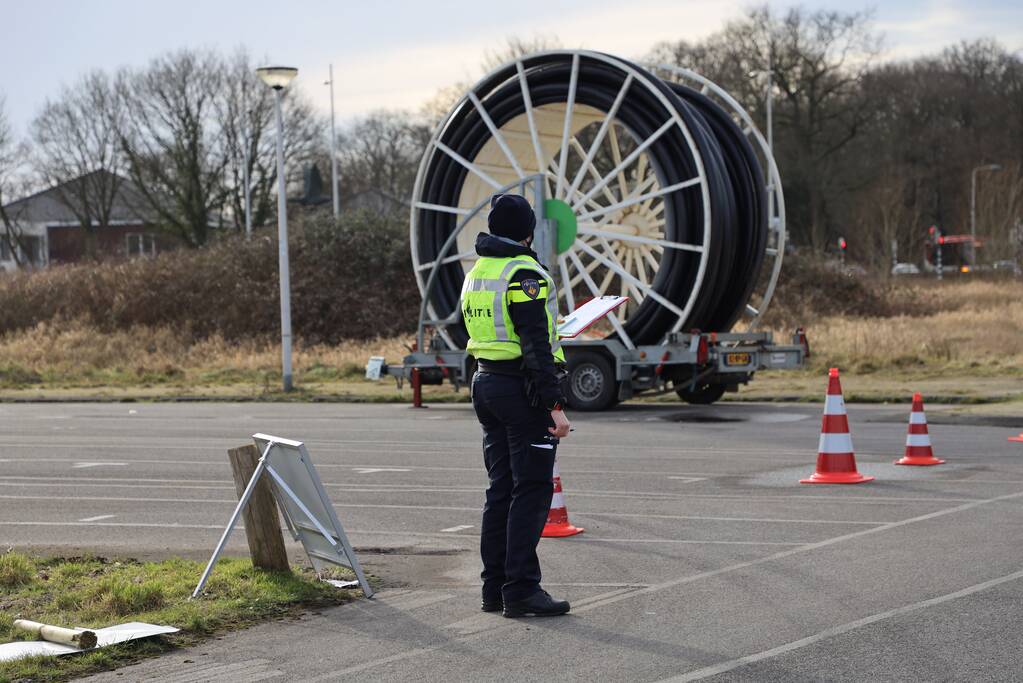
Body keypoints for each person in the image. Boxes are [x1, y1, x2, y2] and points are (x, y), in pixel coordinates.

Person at [462, 193, 572, 618]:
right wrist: (555, 406)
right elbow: (534, 345)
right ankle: (523, 589)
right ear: (528, 231)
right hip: (519, 389)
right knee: (532, 491)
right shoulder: (525, 272)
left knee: (501, 491)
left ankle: (494, 589)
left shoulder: (479, 270)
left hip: (485, 382)